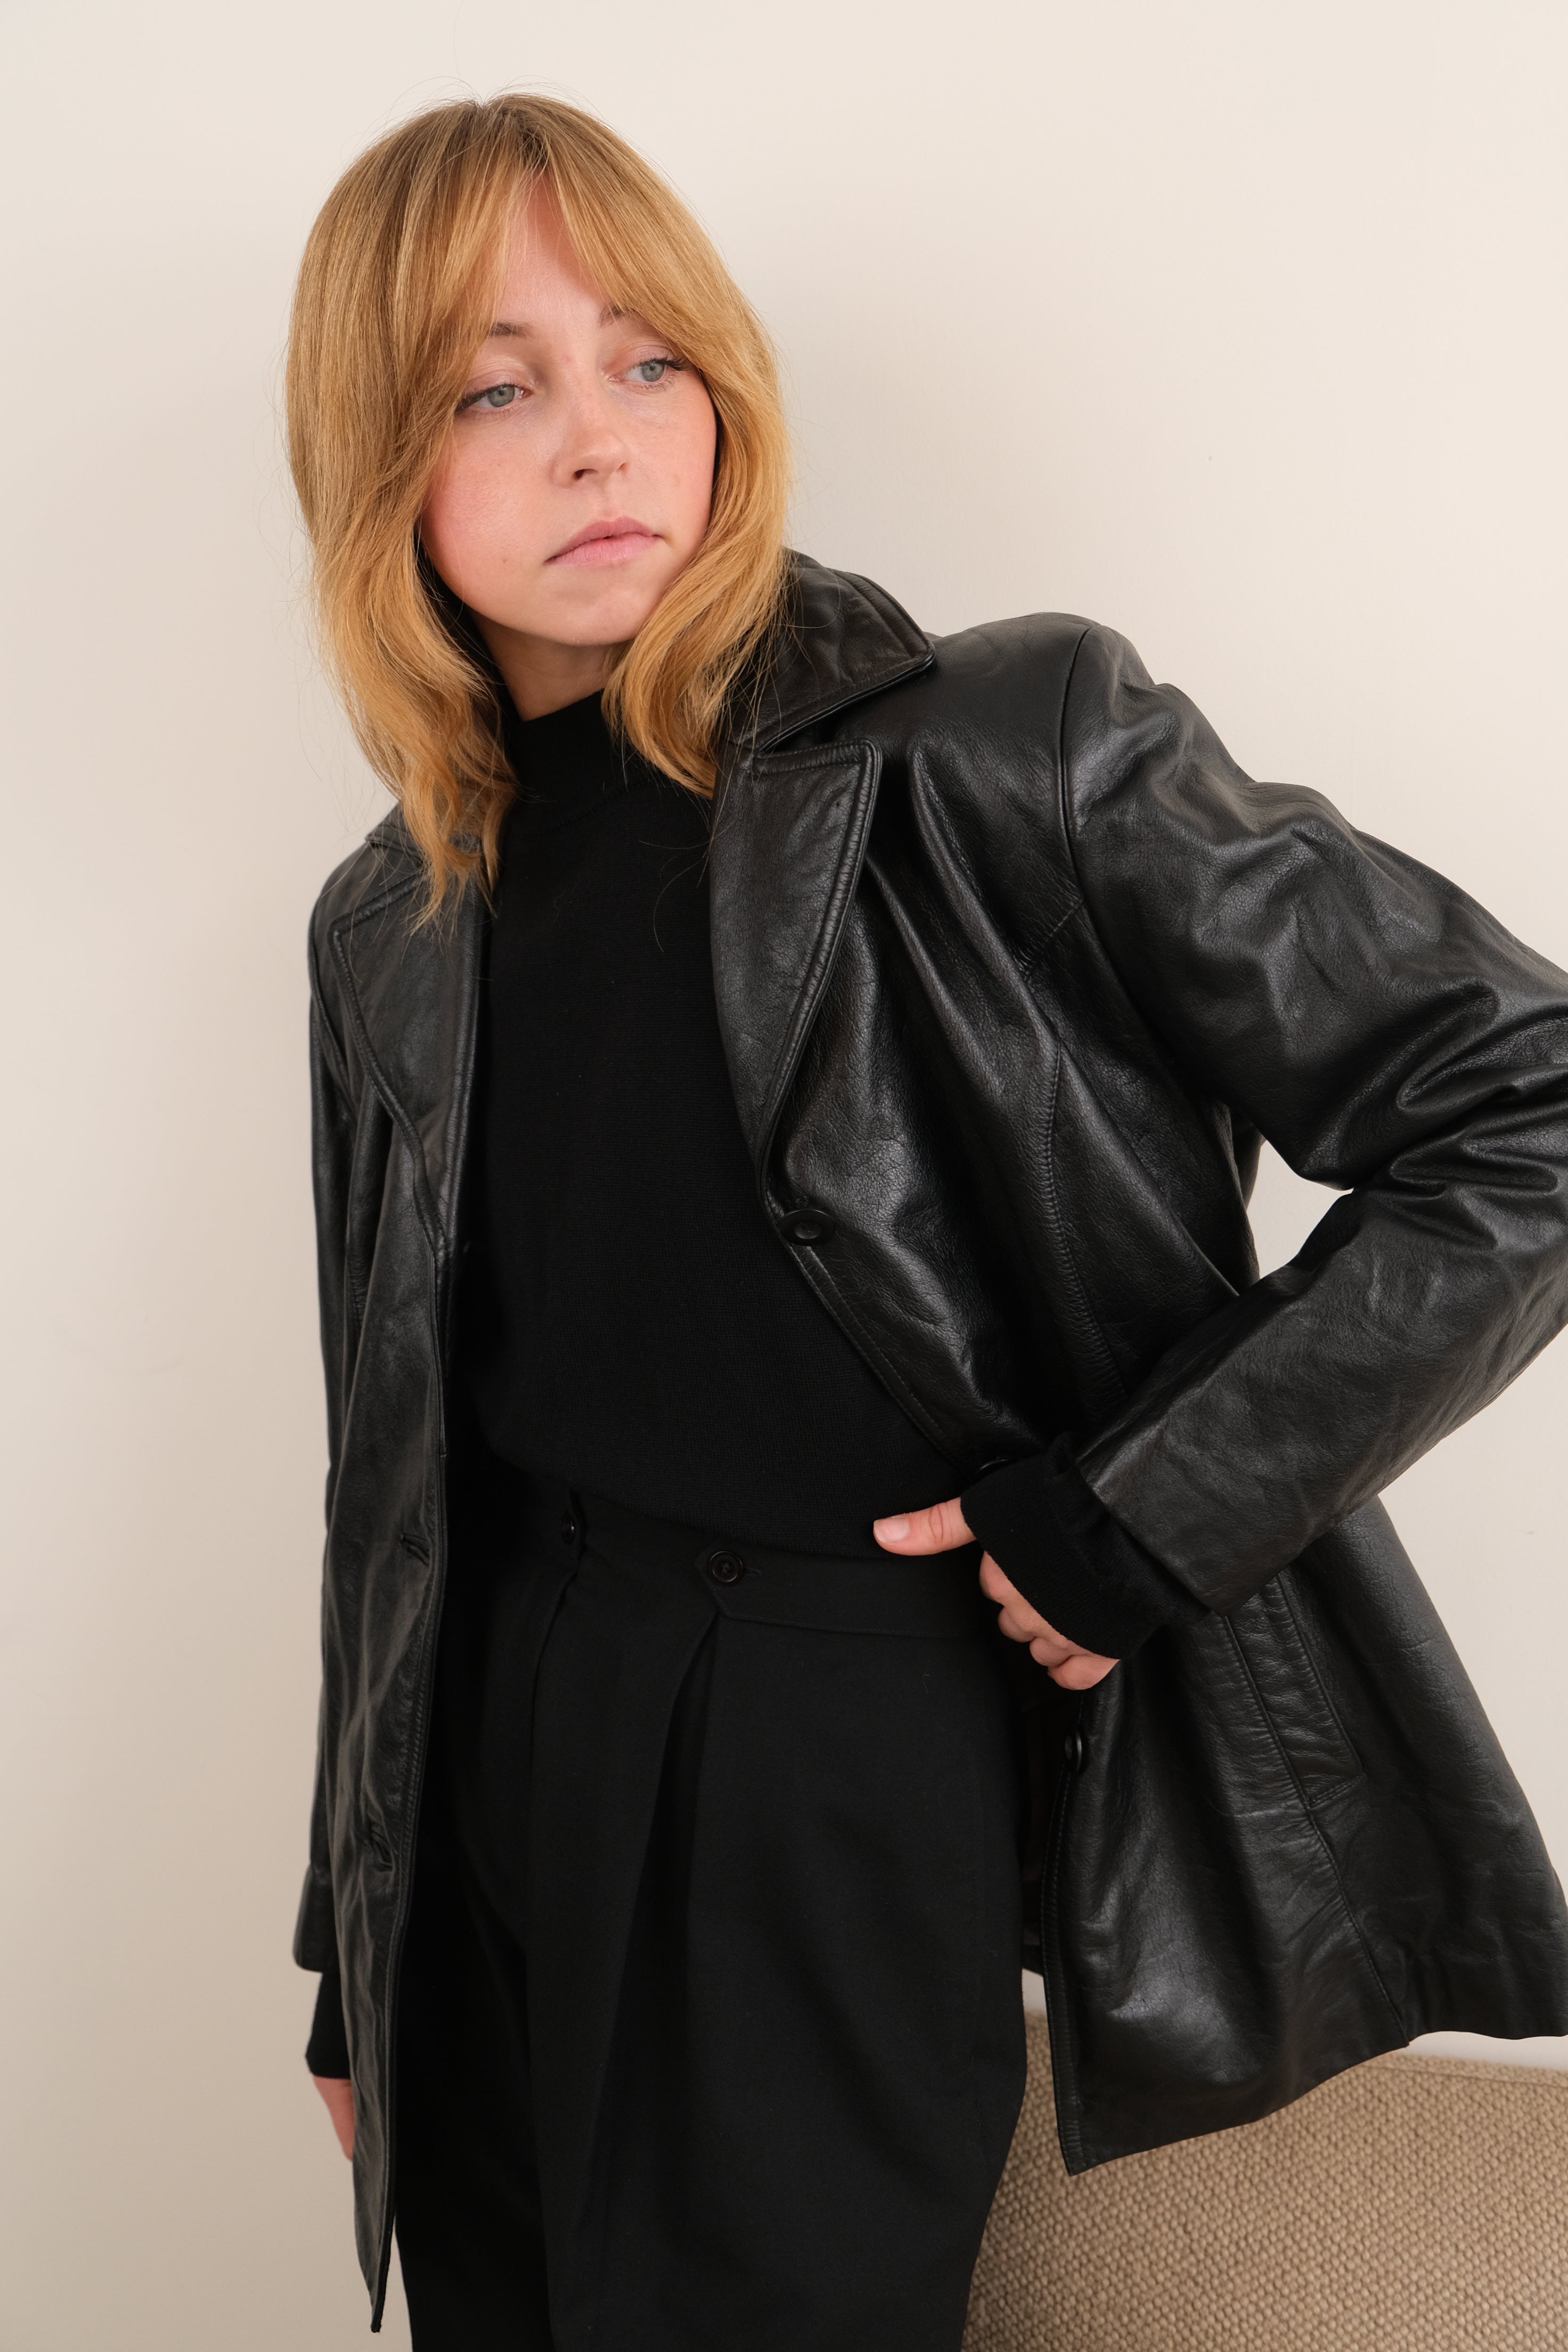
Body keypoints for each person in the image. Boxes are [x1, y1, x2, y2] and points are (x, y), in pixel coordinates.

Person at [287, 92, 1568, 2351]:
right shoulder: (392, 912)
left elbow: (1527, 1103)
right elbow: (391, 1470)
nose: (598, 439)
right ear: (374, 460)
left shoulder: (1001, 747)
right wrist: (349, 1927)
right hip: (490, 1747)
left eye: (648, 358)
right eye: (495, 388)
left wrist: (1146, 1511)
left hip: (825, 1741)